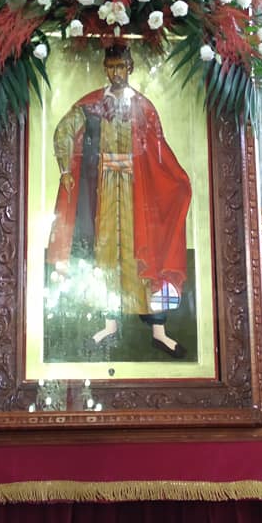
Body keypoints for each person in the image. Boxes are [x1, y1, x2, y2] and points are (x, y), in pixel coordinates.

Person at [46, 44, 192, 358]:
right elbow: (64, 130)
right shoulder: (91, 104)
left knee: (144, 253)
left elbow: (158, 151)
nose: (116, 73)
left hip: (138, 191)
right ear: (105, 68)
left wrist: (175, 180)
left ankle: (159, 332)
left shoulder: (144, 107)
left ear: (131, 68)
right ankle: (109, 325)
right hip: (102, 189)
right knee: (106, 252)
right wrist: (65, 169)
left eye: (121, 66)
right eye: (111, 66)